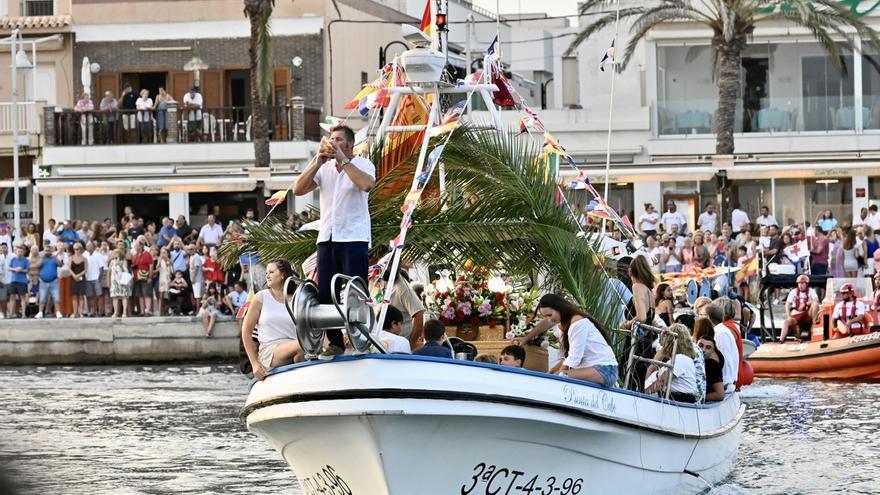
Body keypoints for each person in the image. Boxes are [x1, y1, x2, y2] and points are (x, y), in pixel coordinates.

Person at [293, 125, 375, 359]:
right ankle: (336, 343)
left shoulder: (362, 164)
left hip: (354, 237)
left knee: (355, 290)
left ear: (349, 144)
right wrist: (317, 162)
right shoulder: (325, 168)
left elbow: (367, 184)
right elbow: (298, 189)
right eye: (331, 139)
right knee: (326, 291)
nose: (332, 142)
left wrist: (343, 162)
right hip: (327, 237)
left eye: (338, 139)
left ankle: (361, 337)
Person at [538, 293, 618, 387]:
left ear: (558, 307)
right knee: (555, 374)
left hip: (605, 370)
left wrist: (558, 372)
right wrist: (552, 370)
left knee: (561, 376)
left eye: (550, 315)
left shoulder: (577, 322)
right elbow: (568, 357)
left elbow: (574, 357)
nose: (549, 320)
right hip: (590, 369)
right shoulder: (562, 327)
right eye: (546, 317)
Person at [241, 260, 303, 380]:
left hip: (296, 347)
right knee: (304, 343)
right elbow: (246, 331)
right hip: (270, 351)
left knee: (301, 354)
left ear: (282, 275)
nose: (267, 276)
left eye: (271, 272)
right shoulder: (261, 297)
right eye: (266, 273)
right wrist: (254, 364)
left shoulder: (298, 297)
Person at [644, 324, 699, 402]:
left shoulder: (680, 359)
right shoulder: (679, 360)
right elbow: (649, 386)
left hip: (678, 400)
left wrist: (653, 366)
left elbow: (656, 385)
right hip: (675, 400)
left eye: (665, 337)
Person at [382, 269, 425, 348]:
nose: (387, 267)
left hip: (399, 347)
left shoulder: (403, 288)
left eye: (391, 264)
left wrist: (410, 344)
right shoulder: (380, 280)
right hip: (382, 343)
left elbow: (419, 314)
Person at [704, 303, 738, 392]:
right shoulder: (720, 331)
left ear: (707, 317)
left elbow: (725, 360)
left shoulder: (721, 334)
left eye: (700, 315)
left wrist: (723, 384)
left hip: (725, 384)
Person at [619, 255, 655, 330]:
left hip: (639, 340)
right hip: (649, 337)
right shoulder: (649, 291)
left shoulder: (637, 287)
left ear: (630, 271)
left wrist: (625, 325)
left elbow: (641, 317)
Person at [780, 274, 818, 342]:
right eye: (799, 283)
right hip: (797, 314)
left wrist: (805, 304)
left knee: (815, 304)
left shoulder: (811, 291)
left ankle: (814, 325)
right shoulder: (793, 292)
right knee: (786, 322)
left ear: (806, 284)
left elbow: (816, 300)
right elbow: (787, 304)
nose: (800, 285)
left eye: (802, 283)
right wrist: (789, 316)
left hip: (807, 314)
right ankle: (781, 340)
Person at [35, 242, 62, 319]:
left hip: (54, 281)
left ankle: (58, 312)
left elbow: (60, 264)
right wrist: (42, 258)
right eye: (46, 250)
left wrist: (55, 257)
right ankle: (40, 313)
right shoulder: (41, 258)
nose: (47, 252)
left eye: (49, 250)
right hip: (43, 282)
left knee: (56, 297)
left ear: (51, 251)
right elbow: (37, 266)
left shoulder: (54, 258)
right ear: (44, 251)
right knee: (42, 298)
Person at [696, 333, 726, 401]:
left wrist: (700, 397)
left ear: (712, 352)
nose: (703, 350)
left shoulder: (713, 365)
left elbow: (720, 394)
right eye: (700, 346)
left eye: (708, 347)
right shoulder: (689, 360)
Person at [84, 241, 107, 317]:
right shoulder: (85, 255)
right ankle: (92, 310)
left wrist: (99, 277)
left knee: (99, 295)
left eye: (89, 246)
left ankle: (100, 311)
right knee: (90, 296)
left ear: (93, 247)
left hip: (96, 278)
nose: (88, 247)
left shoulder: (98, 255)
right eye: (87, 246)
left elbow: (101, 267)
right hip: (88, 278)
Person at [6, 245, 29, 318]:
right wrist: (15, 269)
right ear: (16, 252)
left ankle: (23, 314)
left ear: (24, 252)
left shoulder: (26, 260)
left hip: (22, 282)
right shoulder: (13, 259)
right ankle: (10, 314)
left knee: (23, 298)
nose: (20, 253)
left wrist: (21, 270)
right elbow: (9, 268)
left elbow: (27, 270)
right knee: (12, 298)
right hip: (13, 281)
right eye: (18, 251)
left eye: (21, 252)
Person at [131, 241, 153, 316]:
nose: (135, 247)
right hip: (137, 278)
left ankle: (148, 310)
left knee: (146, 294)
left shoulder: (147, 254)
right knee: (140, 295)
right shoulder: (135, 255)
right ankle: (142, 311)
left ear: (141, 246)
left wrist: (150, 277)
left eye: (136, 246)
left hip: (145, 277)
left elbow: (150, 266)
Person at [156, 248, 172, 316]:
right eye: (162, 252)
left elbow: (172, 266)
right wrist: (160, 260)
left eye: (164, 252)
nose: (163, 254)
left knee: (167, 296)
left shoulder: (169, 260)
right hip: (162, 279)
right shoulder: (160, 260)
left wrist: (167, 259)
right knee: (161, 296)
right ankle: (160, 311)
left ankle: (167, 310)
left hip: (168, 279)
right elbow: (158, 267)